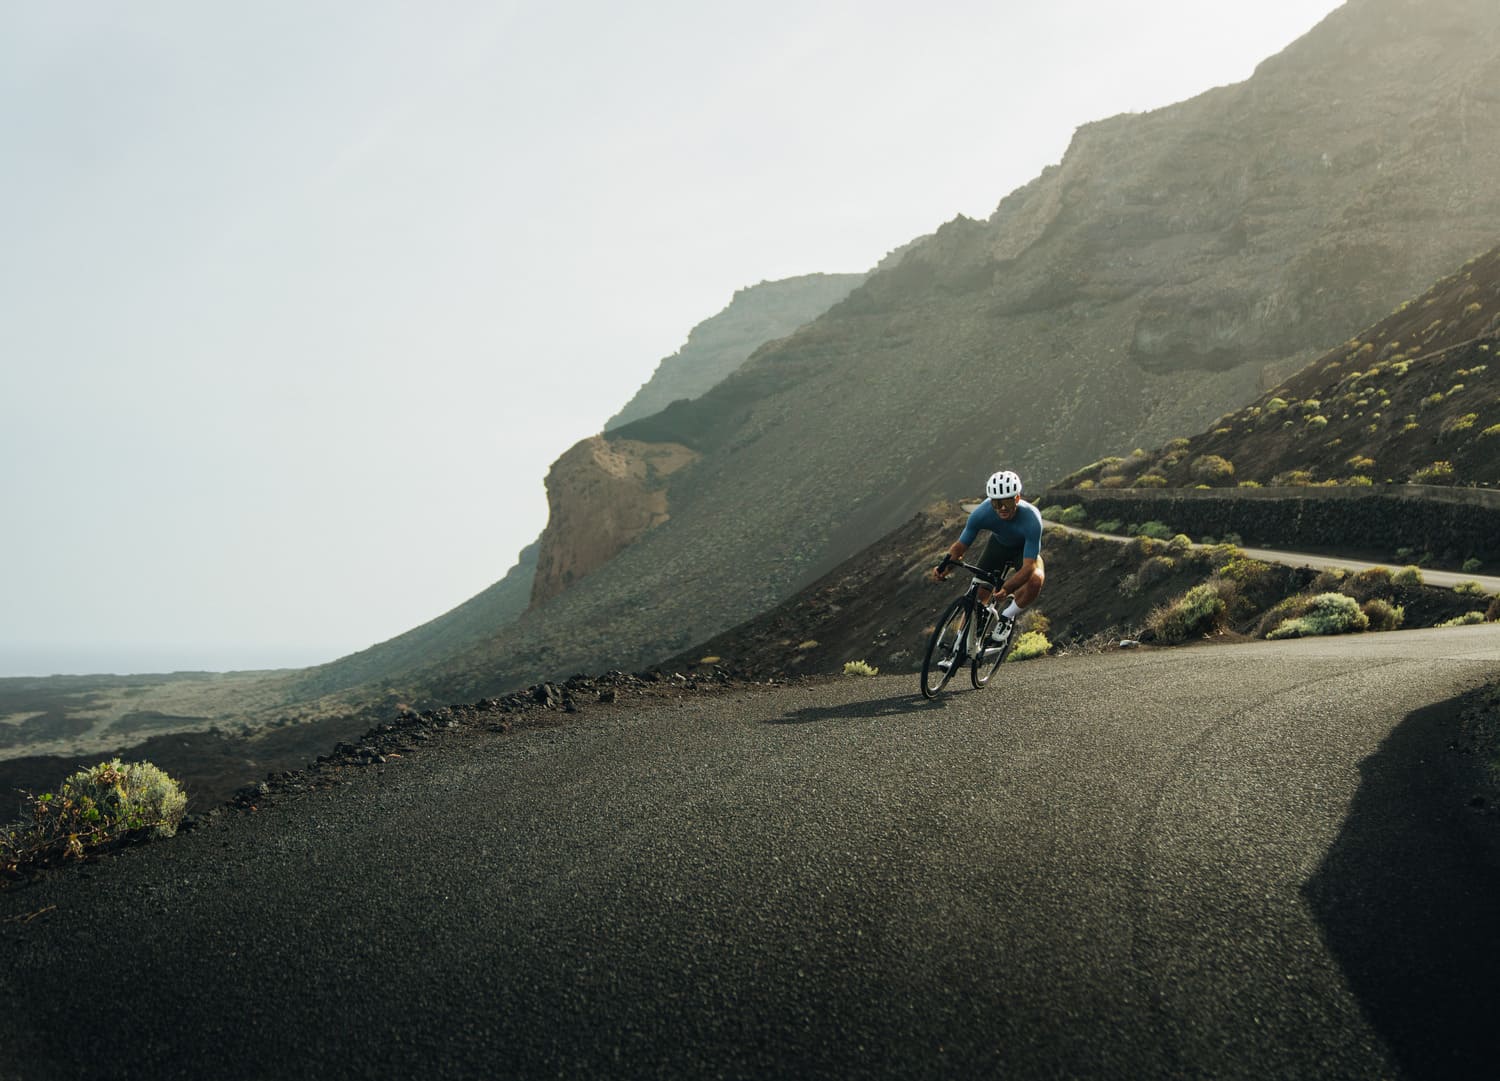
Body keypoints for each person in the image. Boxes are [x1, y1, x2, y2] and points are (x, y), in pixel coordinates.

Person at [933, 469, 1046, 654]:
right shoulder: (982, 513)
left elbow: (1029, 566)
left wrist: (1008, 588)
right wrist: (945, 567)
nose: (1001, 508)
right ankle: (960, 645)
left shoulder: (1032, 518)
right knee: (979, 595)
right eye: (996, 502)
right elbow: (960, 547)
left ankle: (1006, 617)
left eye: (1007, 502)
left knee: (1036, 579)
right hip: (998, 546)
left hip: (1023, 551)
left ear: (1017, 499)